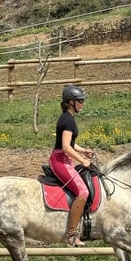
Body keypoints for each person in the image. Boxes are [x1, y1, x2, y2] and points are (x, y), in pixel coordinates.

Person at [50, 85, 95, 246]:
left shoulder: (68, 118)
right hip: (60, 160)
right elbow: (65, 147)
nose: (83, 103)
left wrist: (83, 151)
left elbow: (71, 144)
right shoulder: (68, 120)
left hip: (64, 159)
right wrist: (83, 161)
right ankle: (71, 234)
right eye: (80, 101)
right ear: (70, 102)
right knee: (83, 191)